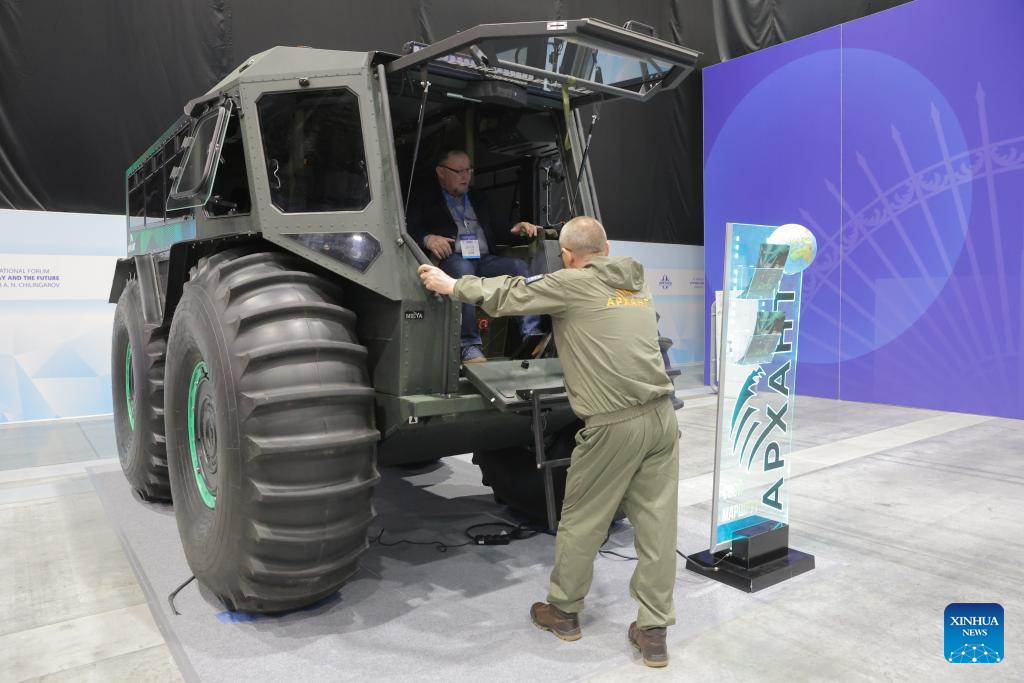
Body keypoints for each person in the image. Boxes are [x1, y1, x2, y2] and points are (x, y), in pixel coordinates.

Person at [418, 216, 680, 668]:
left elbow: (509, 294)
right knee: (657, 525)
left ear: (567, 256)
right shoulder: (636, 285)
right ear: (607, 248)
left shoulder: (572, 282)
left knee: (581, 520)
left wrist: (451, 284)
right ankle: (654, 632)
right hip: (661, 417)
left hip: (613, 424)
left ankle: (563, 611)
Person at [406, 149, 544, 363]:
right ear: (441, 172)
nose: (465, 176)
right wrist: (428, 238)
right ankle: (469, 346)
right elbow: (409, 229)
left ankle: (532, 335)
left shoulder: (478, 197)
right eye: (459, 171)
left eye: (468, 170)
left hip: (484, 259)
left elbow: (497, 227)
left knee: (519, 268)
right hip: (453, 258)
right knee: (463, 271)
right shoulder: (424, 197)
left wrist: (517, 228)